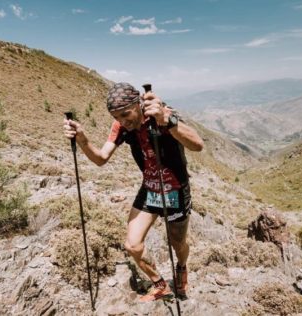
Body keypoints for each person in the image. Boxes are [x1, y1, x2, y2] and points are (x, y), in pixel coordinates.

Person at [62, 82, 204, 302]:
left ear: (138, 104)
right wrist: (81, 138)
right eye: (117, 117)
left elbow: (197, 145)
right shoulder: (121, 127)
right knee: (132, 245)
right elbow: (100, 158)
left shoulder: (163, 115)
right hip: (149, 190)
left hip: (175, 190)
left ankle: (182, 268)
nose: (122, 121)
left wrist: (168, 121)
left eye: (126, 114)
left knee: (178, 243)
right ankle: (160, 284)